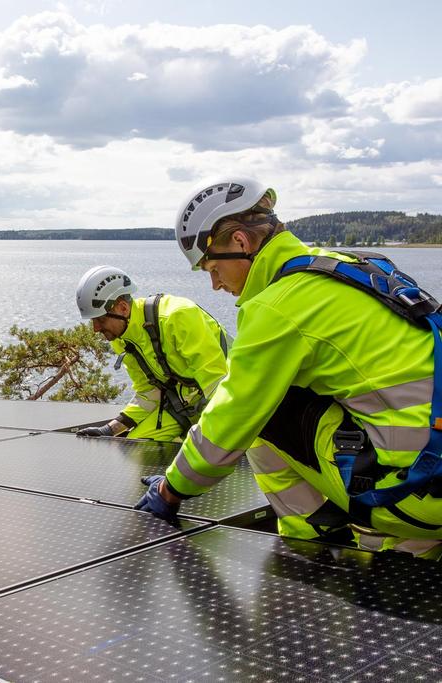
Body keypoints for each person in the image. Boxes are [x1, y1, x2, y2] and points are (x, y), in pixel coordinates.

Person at [135, 177, 442, 559]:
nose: (215, 284)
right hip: (434, 470)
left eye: (212, 267)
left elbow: (228, 424)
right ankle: (415, 547)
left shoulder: (277, 307)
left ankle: (311, 541)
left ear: (241, 244)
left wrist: (171, 488)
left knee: (260, 415)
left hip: (411, 492)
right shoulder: (350, 268)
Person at [74, 265, 230, 441]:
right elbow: (148, 392)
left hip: (229, 400)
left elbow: (217, 383)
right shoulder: (122, 339)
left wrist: (211, 436)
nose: (95, 329)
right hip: (185, 404)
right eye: (92, 321)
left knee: (207, 456)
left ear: (123, 308)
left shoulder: (177, 317)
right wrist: (109, 430)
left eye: (100, 319)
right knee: (136, 449)